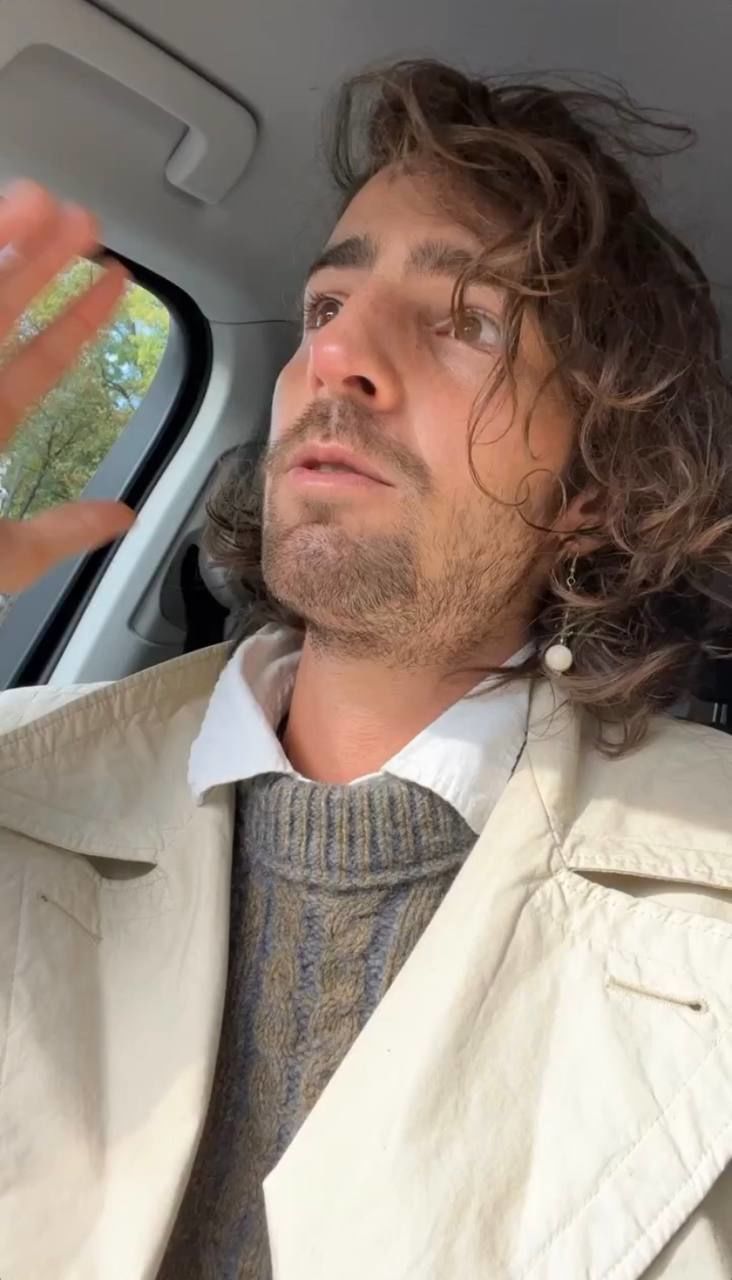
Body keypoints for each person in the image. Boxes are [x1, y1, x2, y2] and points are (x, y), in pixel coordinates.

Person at [0, 58, 731, 1280]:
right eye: (326, 305)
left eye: (468, 321)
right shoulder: (17, 782)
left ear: (595, 487)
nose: (339, 354)